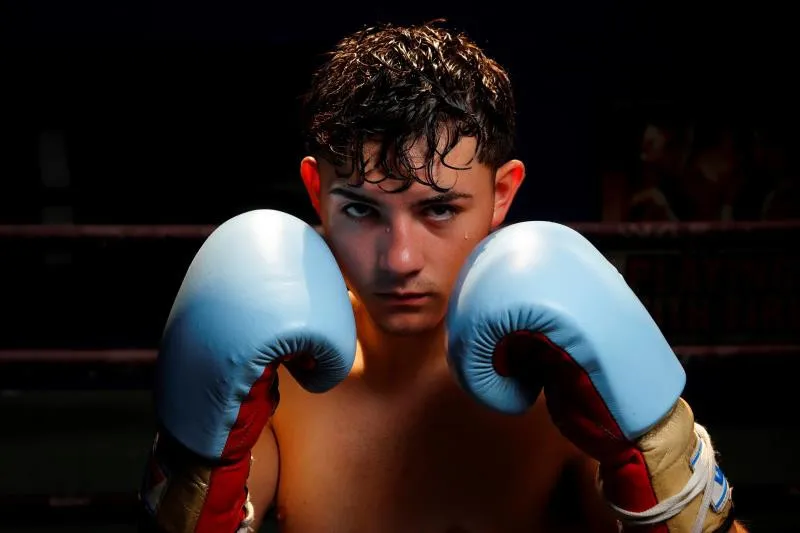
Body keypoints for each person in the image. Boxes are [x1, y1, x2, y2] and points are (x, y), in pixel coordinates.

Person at [138, 21, 747, 533]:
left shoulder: (563, 387)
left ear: (502, 193)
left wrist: (662, 456)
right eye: (362, 211)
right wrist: (194, 468)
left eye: (439, 210)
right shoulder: (274, 388)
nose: (400, 259)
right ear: (317, 193)